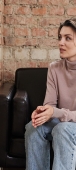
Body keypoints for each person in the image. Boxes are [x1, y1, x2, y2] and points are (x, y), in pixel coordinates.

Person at [25, 18, 76, 170]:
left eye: (68, 38)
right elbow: (50, 104)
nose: (61, 42)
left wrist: (56, 113)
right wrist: (43, 112)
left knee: (63, 129)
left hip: (67, 125)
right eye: (60, 37)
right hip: (62, 121)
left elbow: (57, 113)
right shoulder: (54, 68)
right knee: (33, 128)